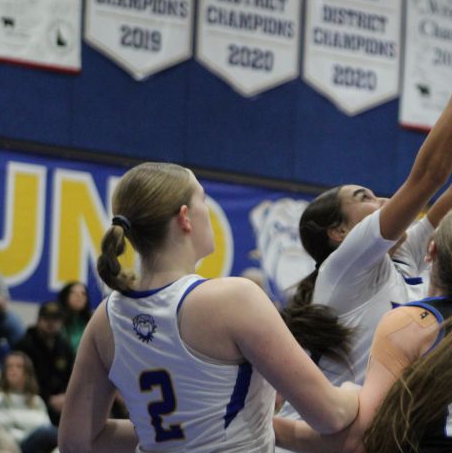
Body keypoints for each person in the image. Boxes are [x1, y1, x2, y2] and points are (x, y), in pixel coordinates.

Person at [277, 0, 452, 415]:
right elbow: (429, 177)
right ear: (340, 232)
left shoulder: (404, 257)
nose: (382, 198)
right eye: (364, 198)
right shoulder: (346, 267)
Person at [57, 162, 359, 452]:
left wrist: (168, 432)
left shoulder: (105, 318)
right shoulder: (233, 299)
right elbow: (330, 415)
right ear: (185, 217)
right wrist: (356, 390)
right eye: (203, 198)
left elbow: (77, 441)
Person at [13, 302, 73, 426]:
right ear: (39, 320)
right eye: (47, 319)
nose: (51, 323)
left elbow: (72, 376)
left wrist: (67, 396)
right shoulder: (25, 345)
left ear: (61, 322)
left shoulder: (64, 346)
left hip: (62, 401)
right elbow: (21, 380)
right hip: (32, 399)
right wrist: (48, 399)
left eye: (55, 319)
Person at [0, 351, 58, 453]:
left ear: (27, 373)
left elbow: (46, 425)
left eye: (19, 366)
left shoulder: (36, 400)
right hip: (17, 447)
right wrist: (32, 435)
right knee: (49, 433)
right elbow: (2, 430)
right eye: (9, 366)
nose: (13, 370)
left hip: (41, 445)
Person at [56, 283, 91, 356]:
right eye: (73, 293)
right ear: (65, 297)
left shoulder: (91, 322)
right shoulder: (56, 320)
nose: (79, 296)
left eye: (83, 294)